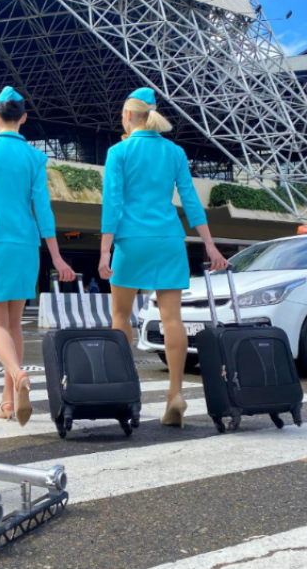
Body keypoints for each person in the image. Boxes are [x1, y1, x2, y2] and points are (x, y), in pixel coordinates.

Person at [99, 88, 227, 429]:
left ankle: (125, 390)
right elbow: (191, 201)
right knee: (172, 318)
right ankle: (175, 394)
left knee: (121, 316)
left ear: (128, 116)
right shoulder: (174, 152)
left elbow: (112, 203)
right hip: (170, 239)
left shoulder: (119, 152)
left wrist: (104, 250)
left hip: (131, 240)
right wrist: (210, 246)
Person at [0, 86, 75, 426]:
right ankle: (7, 400)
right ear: (23, 117)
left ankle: (18, 377)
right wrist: (57, 256)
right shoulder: (35, 157)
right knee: (14, 323)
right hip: (26, 242)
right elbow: (43, 209)